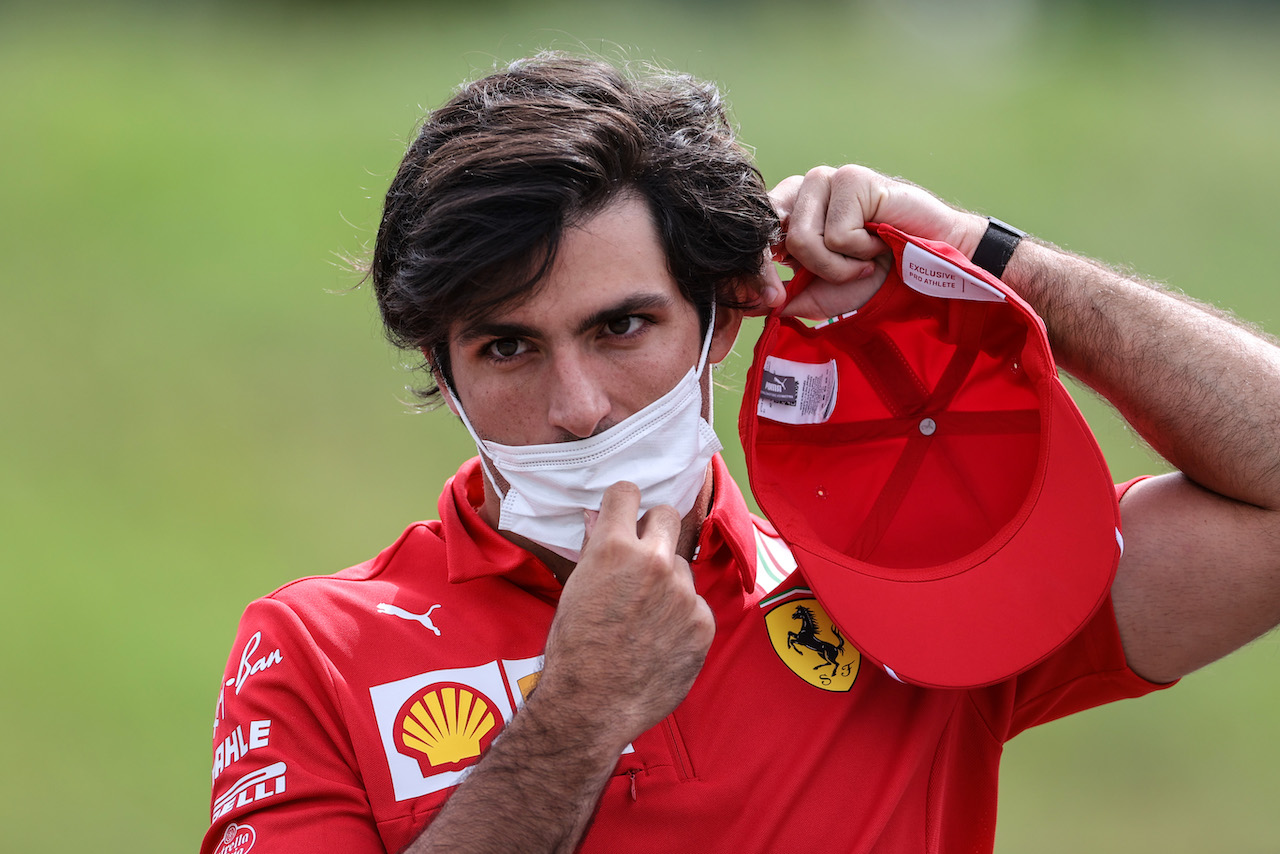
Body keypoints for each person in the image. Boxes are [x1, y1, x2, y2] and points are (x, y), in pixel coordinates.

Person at [202, 53, 1280, 854]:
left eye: (620, 326)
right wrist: (574, 717)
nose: (576, 407)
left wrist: (980, 260)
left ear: (724, 318)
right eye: (506, 346)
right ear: (443, 370)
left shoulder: (901, 577)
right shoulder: (313, 649)